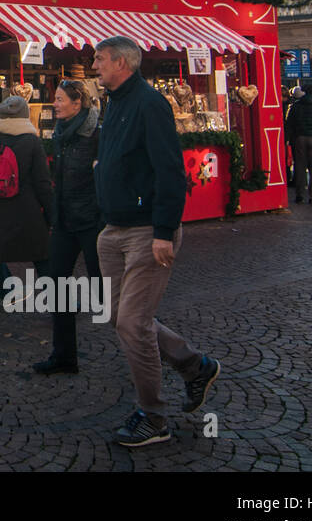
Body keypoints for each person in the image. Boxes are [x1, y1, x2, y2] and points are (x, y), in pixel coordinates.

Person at [92, 35, 220, 447]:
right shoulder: (114, 103)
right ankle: (194, 365)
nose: (94, 66)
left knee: (133, 322)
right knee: (118, 317)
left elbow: (170, 171)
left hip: (147, 230)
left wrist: (164, 231)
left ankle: (153, 416)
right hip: (113, 229)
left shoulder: (150, 103)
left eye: (99, 59)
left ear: (121, 63)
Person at [32, 80, 102, 374]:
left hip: (93, 221)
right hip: (65, 222)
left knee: (108, 292)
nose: (55, 104)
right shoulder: (61, 133)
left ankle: (151, 346)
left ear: (78, 103)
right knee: (57, 285)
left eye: (60, 99)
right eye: (55, 99)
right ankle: (64, 356)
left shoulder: (96, 134)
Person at [0, 96, 52, 336]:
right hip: (26, 212)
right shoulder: (31, 142)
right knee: (43, 260)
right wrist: (52, 216)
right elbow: (43, 184)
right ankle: (61, 308)